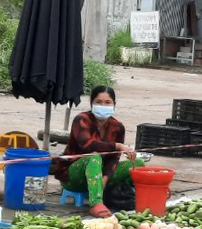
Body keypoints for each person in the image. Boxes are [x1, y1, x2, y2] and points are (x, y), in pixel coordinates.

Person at [56, 86, 144, 218]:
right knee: (94, 157)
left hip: (101, 176)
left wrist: (105, 178)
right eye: (98, 102)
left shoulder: (118, 127)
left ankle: (137, 197)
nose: (103, 105)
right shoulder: (81, 120)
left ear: (114, 104)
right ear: (91, 103)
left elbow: (114, 158)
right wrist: (117, 145)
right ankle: (96, 204)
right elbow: (87, 145)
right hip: (73, 176)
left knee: (137, 163)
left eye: (108, 102)